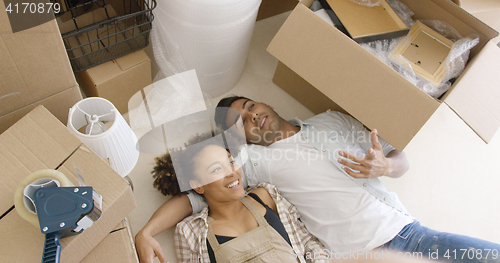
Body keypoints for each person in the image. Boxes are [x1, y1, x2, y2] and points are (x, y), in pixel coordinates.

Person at [135, 96, 500, 263]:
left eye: (250, 106)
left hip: (406, 232)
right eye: (241, 122)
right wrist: (146, 232)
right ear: (240, 139)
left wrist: (386, 167)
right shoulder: (254, 165)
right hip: (353, 257)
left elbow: (399, 156)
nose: (252, 116)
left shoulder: (331, 121)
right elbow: (195, 196)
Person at [152, 132, 329, 262]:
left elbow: (309, 243)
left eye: (230, 162)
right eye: (216, 169)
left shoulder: (266, 195)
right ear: (198, 186)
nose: (232, 172)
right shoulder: (190, 231)